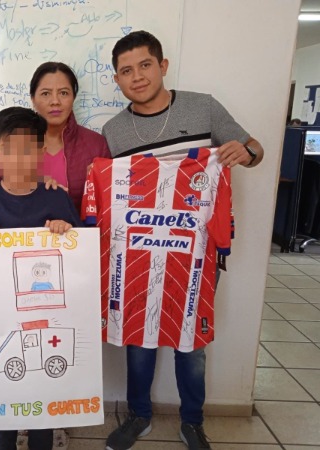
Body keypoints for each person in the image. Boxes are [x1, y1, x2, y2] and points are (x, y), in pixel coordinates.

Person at [102, 30, 264, 450]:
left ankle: (193, 421)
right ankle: (138, 415)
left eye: (145, 65)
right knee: (138, 337)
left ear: (162, 66)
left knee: (190, 341)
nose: (137, 76)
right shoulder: (113, 131)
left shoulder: (203, 107)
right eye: (126, 71)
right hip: (138, 255)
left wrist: (247, 152)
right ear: (117, 80)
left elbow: (253, 148)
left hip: (196, 254)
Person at [0, 106, 83, 450]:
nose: (20, 158)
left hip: (44, 320)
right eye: (10, 148)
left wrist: (66, 231)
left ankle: (42, 441)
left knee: (42, 394)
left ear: (41, 151)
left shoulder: (55, 197)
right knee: (3, 395)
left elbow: (80, 256)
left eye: (29, 148)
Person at [0, 62, 111, 211]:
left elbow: (107, 202)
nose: (55, 102)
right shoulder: (8, 143)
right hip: (21, 225)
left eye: (63, 93)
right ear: (33, 98)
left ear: (74, 97)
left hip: (77, 225)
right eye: (45, 93)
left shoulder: (96, 145)